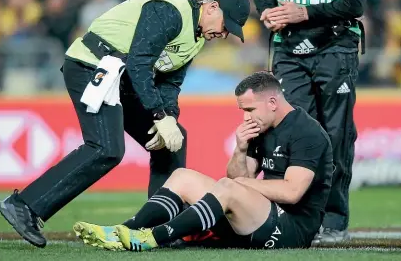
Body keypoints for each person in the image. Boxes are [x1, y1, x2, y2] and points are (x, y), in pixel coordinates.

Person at [0, 0, 251, 248]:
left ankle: (157, 229)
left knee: (174, 142)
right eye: (225, 25)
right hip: (91, 65)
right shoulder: (169, 11)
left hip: (121, 78)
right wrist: (159, 115)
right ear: (211, 8)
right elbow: (139, 63)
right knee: (105, 148)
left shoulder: (196, 39)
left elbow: (169, 84)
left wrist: (170, 118)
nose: (223, 33)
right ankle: (23, 205)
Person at [72, 71, 334, 251]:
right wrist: (240, 149)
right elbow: (236, 180)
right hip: (258, 217)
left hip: (291, 230)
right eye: (243, 111)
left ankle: (153, 237)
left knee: (229, 188)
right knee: (183, 176)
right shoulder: (259, 128)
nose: (245, 117)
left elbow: (292, 192)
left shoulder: (307, 132)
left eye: (250, 109)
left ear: (273, 102)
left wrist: (240, 184)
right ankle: (123, 231)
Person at [251, 0, 367, 244]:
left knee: (337, 134)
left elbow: (354, 2)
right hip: (288, 48)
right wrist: (268, 12)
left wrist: (304, 12)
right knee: (291, 132)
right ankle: (288, 214)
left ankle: (334, 219)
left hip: (336, 45)